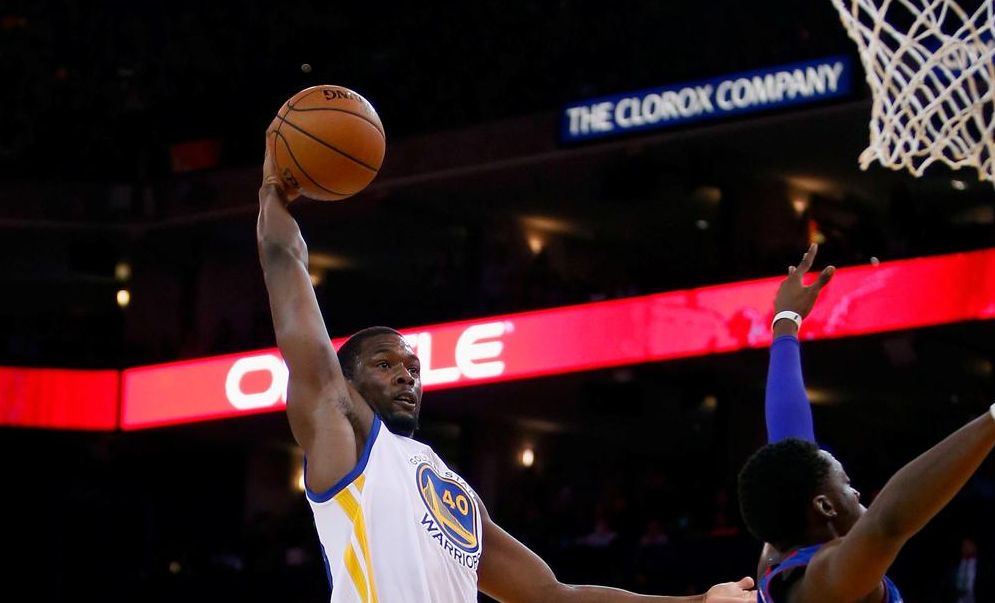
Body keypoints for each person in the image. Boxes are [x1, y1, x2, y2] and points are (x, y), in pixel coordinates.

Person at [256, 148, 756, 603]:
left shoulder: (449, 487)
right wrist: (271, 192)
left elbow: (551, 595)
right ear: (346, 382)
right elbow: (289, 274)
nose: (407, 377)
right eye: (385, 365)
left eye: (413, 367)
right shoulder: (339, 430)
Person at [738, 245, 995, 603]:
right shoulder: (824, 585)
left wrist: (786, 320)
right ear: (825, 507)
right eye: (846, 484)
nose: (858, 493)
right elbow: (887, 524)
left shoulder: (779, 555)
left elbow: (788, 435)